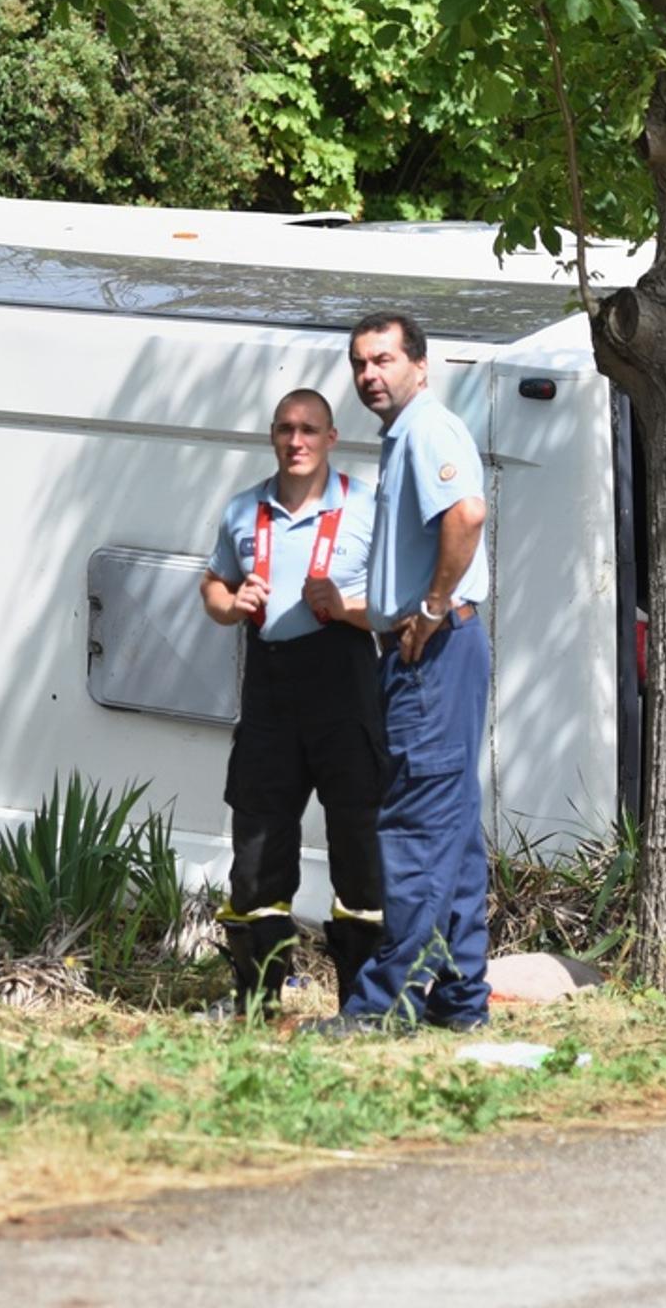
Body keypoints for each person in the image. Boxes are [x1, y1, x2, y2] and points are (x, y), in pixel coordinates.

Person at [333, 312, 493, 1032]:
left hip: (432, 652)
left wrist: (430, 608)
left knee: (417, 827)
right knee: (450, 830)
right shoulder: (404, 435)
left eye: (384, 360)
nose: (370, 375)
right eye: (360, 364)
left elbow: (468, 514)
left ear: (420, 366)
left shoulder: (428, 430)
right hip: (433, 650)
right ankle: (458, 1002)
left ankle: (383, 1006)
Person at [199, 388, 383, 1015]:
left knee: (361, 850)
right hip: (270, 693)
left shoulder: (367, 506)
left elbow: (401, 604)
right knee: (256, 854)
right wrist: (231, 605)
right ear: (272, 436)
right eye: (285, 429)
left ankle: (363, 1007)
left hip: (344, 689)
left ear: (332, 438)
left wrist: (347, 608)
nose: (296, 441)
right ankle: (257, 1004)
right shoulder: (242, 510)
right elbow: (213, 584)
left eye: (309, 429)